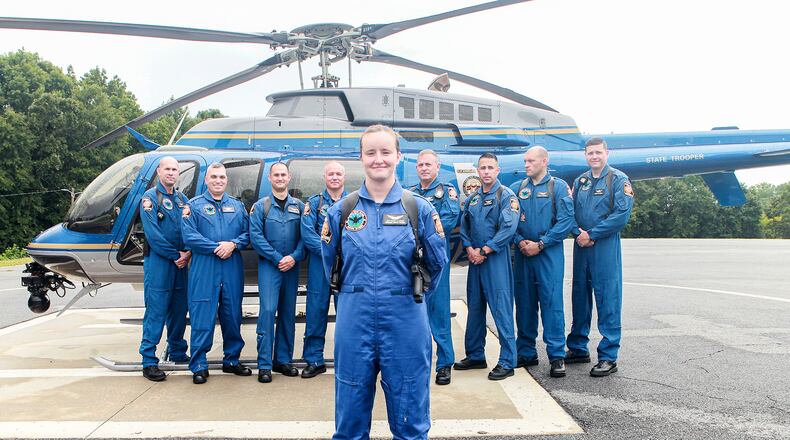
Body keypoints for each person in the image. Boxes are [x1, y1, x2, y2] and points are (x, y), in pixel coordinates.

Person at [322, 125, 447, 439]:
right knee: (349, 424)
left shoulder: (419, 210)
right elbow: (330, 267)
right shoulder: (341, 212)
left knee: (410, 423)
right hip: (355, 323)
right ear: (361, 157)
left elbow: (436, 267)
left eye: (386, 152)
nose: (379, 159)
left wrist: (406, 296)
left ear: (398, 156)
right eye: (371, 152)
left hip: (405, 322)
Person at [566, 137, 634, 377]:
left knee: (607, 298)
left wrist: (592, 234)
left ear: (607, 153)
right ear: (585, 155)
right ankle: (578, 347)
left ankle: (608, 356)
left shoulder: (618, 180)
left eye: (598, 152)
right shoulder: (581, 181)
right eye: (590, 153)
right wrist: (578, 233)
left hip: (604, 246)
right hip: (581, 245)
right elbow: (570, 211)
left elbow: (621, 215)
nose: (594, 157)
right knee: (580, 296)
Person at [181, 162, 251, 384]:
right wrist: (215, 248)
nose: (218, 181)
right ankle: (199, 364)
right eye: (214, 177)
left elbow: (248, 233)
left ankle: (232, 360)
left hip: (231, 265)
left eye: (221, 177)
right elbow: (189, 236)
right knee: (202, 314)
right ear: (206, 180)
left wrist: (233, 244)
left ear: (226, 180)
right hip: (205, 265)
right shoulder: (194, 206)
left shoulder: (237, 206)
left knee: (232, 314)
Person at [509, 147, 574, 378]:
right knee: (524, 305)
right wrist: (520, 241)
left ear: (544, 161)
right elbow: (510, 221)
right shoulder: (517, 188)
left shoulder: (558, 187)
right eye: (525, 161)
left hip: (548, 256)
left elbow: (566, 221)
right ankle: (526, 352)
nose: (526, 165)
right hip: (524, 255)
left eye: (531, 161)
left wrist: (542, 243)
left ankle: (556, 355)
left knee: (551, 304)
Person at [454, 152, 519, 380]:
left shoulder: (506, 196)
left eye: (491, 167)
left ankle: (508, 361)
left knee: (501, 309)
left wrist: (485, 250)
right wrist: (469, 248)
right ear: (477, 170)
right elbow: (464, 227)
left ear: (497, 170)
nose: (486, 172)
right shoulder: (473, 199)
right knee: (475, 308)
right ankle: (475, 355)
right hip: (475, 261)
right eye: (483, 168)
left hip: (495, 260)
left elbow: (508, 228)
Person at [249, 162, 306, 383]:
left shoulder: (299, 207)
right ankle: (264, 364)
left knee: (287, 313)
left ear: (289, 177)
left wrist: (294, 257)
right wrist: (276, 258)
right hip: (270, 266)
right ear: (270, 178)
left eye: (283, 174)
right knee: (267, 311)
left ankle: (283, 360)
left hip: (291, 266)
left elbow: (305, 237)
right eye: (276, 175)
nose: (280, 178)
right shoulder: (260, 207)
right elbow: (256, 237)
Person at [409, 149, 460, 385]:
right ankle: (417, 362)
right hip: (414, 257)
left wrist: (421, 234)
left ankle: (444, 364)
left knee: (439, 309)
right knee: (414, 310)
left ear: (437, 167)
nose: (424, 168)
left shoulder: (447, 192)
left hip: (436, 256)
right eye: (420, 165)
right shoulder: (409, 194)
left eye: (428, 164)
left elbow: (449, 220)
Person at [138, 157, 190, 381]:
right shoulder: (150, 198)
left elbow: (190, 228)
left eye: (174, 169)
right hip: (160, 263)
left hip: (181, 263)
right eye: (167, 169)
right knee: (156, 310)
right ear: (159, 171)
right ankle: (149, 361)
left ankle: (177, 351)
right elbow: (153, 235)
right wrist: (175, 255)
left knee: (179, 309)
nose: (171, 173)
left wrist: (188, 252)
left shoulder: (182, 199)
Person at [300, 161, 347, 379]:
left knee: (347, 314)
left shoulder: (353, 203)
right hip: (320, 264)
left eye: (338, 174)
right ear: (324, 177)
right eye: (331, 174)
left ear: (344, 177)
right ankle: (314, 360)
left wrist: (342, 253)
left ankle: (348, 360)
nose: (334, 177)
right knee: (315, 312)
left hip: (345, 265)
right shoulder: (314, 203)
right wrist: (329, 251)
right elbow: (307, 233)